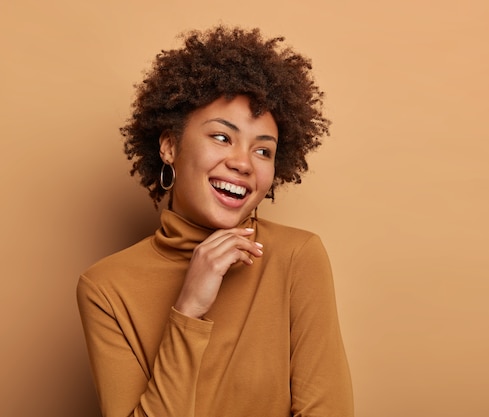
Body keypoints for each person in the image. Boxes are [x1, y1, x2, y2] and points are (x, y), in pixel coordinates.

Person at [76, 26, 353, 417]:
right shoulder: (105, 288)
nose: (243, 162)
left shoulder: (296, 257)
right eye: (222, 138)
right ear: (170, 146)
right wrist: (188, 309)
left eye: (262, 150)